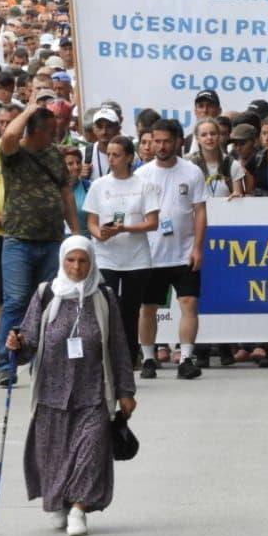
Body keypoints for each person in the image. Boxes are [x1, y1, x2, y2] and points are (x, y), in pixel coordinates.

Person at [6, 237, 136, 536]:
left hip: (93, 391)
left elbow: (118, 345)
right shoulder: (46, 294)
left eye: (83, 261)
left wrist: (126, 391)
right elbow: (28, 342)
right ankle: (59, 503)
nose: (76, 267)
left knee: (90, 450)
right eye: (70, 260)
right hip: (51, 392)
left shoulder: (102, 297)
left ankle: (79, 508)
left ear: (92, 263)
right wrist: (18, 343)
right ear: (62, 261)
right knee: (55, 455)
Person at [0, 93, 79, 386]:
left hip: (52, 239)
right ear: (37, 130)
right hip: (19, 239)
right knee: (16, 302)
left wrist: (76, 232)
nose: (55, 135)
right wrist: (29, 109)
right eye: (50, 130)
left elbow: (66, 194)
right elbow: (9, 133)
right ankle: (7, 363)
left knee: (50, 303)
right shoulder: (13, 152)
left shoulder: (54, 155)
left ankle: (45, 360)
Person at [136, 119, 208, 379]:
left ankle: (186, 358)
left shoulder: (192, 172)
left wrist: (198, 248)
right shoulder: (142, 174)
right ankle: (147, 358)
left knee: (189, 303)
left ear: (179, 141)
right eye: (157, 140)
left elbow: (200, 212)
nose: (161, 146)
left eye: (166, 141)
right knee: (148, 308)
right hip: (151, 255)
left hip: (184, 252)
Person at [84, 135, 160, 371]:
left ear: (129, 157)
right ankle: (106, 358)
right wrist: (99, 234)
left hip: (137, 258)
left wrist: (125, 228)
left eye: (117, 155)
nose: (112, 159)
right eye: (109, 155)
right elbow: (91, 221)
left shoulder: (143, 185)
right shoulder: (99, 185)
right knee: (107, 308)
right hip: (106, 256)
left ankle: (129, 357)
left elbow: (152, 223)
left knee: (130, 310)